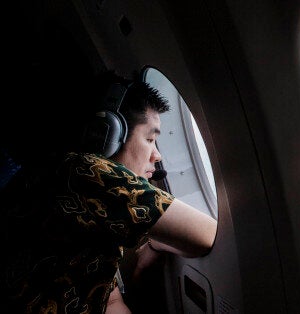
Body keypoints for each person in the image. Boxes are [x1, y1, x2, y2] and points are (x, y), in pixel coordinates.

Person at [1, 72, 218, 313]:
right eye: (149, 139)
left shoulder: (64, 182)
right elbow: (206, 235)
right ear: (107, 134)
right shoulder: (87, 172)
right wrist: (156, 244)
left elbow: (110, 301)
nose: (157, 156)